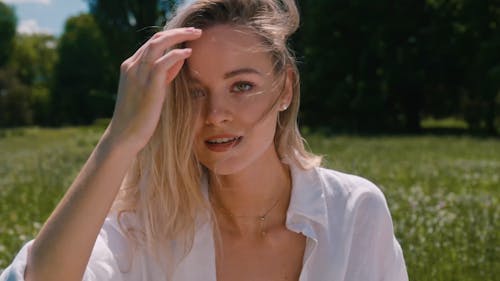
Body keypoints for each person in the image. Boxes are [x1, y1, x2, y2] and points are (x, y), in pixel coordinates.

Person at [0, 0, 408, 280]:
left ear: (285, 88)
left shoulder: (354, 212)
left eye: (242, 86)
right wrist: (120, 137)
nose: (215, 115)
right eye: (195, 91)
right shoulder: (146, 224)